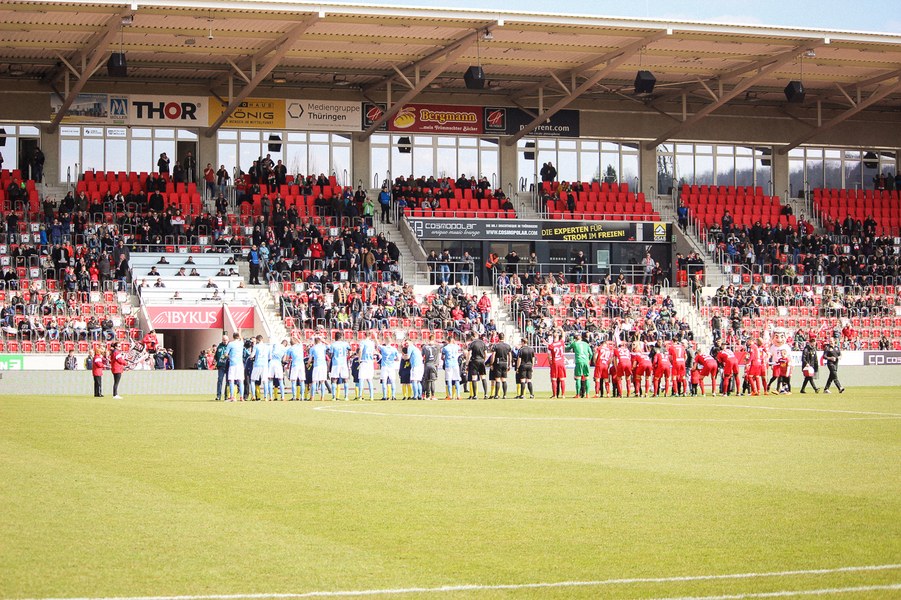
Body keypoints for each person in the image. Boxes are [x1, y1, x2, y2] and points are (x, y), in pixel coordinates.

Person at [567, 332, 592, 398]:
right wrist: (588, 360)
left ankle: (578, 394)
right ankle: (587, 394)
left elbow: (567, 348)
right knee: (587, 378)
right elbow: (591, 353)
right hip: (586, 361)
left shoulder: (574, 343)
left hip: (579, 361)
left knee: (578, 378)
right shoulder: (586, 344)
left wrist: (571, 341)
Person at [489, 333, 513, 399]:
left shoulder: (496, 346)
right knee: (504, 380)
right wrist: (509, 364)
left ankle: (496, 395)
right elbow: (510, 356)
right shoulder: (507, 346)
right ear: (504, 337)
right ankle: (504, 395)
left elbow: (493, 355)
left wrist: (491, 364)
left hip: (498, 363)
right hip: (505, 363)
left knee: (497, 379)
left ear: (498, 338)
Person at [329, 330, 351, 400]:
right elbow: (350, 349)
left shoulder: (333, 345)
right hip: (343, 363)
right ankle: (346, 396)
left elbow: (330, 355)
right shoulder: (345, 344)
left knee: (334, 379)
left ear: (335, 337)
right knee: (345, 379)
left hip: (336, 363)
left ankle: (333, 397)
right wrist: (347, 355)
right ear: (341, 337)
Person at [466, 331, 489, 400]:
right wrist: (484, 360)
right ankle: (486, 394)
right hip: (481, 361)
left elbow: (469, 354)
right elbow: (486, 354)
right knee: (483, 377)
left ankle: (475, 395)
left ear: (472, 336)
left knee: (474, 378)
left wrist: (467, 363)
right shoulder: (483, 343)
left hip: (474, 361)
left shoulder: (472, 344)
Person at [441, 332, 462, 400]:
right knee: (457, 379)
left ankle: (450, 396)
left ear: (447, 340)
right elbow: (460, 350)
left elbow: (442, 357)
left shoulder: (445, 348)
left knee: (449, 380)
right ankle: (458, 395)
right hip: (455, 364)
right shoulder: (456, 346)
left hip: (448, 364)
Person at [357, 332, 377, 401]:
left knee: (361, 379)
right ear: (370, 336)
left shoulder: (363, 342)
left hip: (364, 361)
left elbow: (360, 350)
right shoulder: (372, 343)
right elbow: (374, 352)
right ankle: (371, 396)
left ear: (364, 335)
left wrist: (359, 359)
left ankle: (360, 396)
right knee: (369, 380)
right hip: (370, 362)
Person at [309, 336, 331, 401]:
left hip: (316, 365)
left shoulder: (312, 348)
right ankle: (322, 397)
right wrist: (324, 341)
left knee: (314, 381)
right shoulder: (323, 347)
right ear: (320, 341)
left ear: (314, 341)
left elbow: (310, 359)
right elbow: (330, 346)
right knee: (322, 382)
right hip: (323, 365)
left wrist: (308, 364)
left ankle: (312, 397)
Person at [378, 335, 399, 400]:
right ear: (391, 341)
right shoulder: (394, 349)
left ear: (385, 341)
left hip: (384, 366)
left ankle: (384, 396)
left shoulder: (383, 348)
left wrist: (375, 337)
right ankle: (393, 396)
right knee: (393, 382)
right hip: (391, 367)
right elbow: (398, 358)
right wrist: (393, 359)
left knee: (384, 382)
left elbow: (377, 344)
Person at [226, 332, 245, 401]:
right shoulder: (241, 343)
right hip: (240, 364)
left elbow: (226, 354)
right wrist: (240, 332)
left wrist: (230, 357)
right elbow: (242, 339)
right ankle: (241, 397)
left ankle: (232, 397)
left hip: (233, 364)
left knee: (231, 380)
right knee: (241, 381)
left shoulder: (230, 344)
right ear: (238, 337)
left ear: (233, 337)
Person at [547, 331, 566, 398]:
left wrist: (550, 363)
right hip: (561, 362)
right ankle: (563, 395)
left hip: (555, 363)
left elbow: (549, 355)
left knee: (554, 379)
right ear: (558, 336)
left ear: (553, 337)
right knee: (562, 379)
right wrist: (561, 329)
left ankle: (554, 395)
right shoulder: (561, 342)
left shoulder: (551, 345)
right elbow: (563, 335)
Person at [421, 333, 440, 400]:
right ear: (434, 339)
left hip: (427, 364)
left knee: (427, 380)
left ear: (428, 339)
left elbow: (422, 355)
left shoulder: (424, 347)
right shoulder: (437, 346)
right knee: (432, 381)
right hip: (434, 365)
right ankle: (433, 395)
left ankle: (427, 396)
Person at [213, 334, 230, 401]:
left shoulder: (230, 346)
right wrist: (215, 361)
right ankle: (218, 396)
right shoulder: (219, 346)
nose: (225, 341)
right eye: (224, 340)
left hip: (228, 366)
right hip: (221, 366)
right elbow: (216, 356)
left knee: (228, 381)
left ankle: (226, 396)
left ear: (228, 340)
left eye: (226, 340)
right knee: (220, 380)